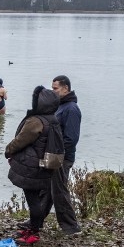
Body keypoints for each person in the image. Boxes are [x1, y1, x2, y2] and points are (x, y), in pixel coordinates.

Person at [4, 85, 60, 245]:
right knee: (35, 198)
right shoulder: (52, 119)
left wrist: (8, 151)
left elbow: (21, 141)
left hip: (33, 167)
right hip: (45, 164)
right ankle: (33, 227)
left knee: (33, 199)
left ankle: (34, 232)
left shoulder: (36, 121)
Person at [36, 74, 82, 236]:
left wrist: (59, 155)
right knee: (45, 188)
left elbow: (71, 138)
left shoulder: (71, 109)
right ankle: (37, 220)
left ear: (65, 89)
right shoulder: (61, 106)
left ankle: (71, 227)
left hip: (62, 157)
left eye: (55, 89)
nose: (53, 91)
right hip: (54, 154)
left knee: (59, 191)